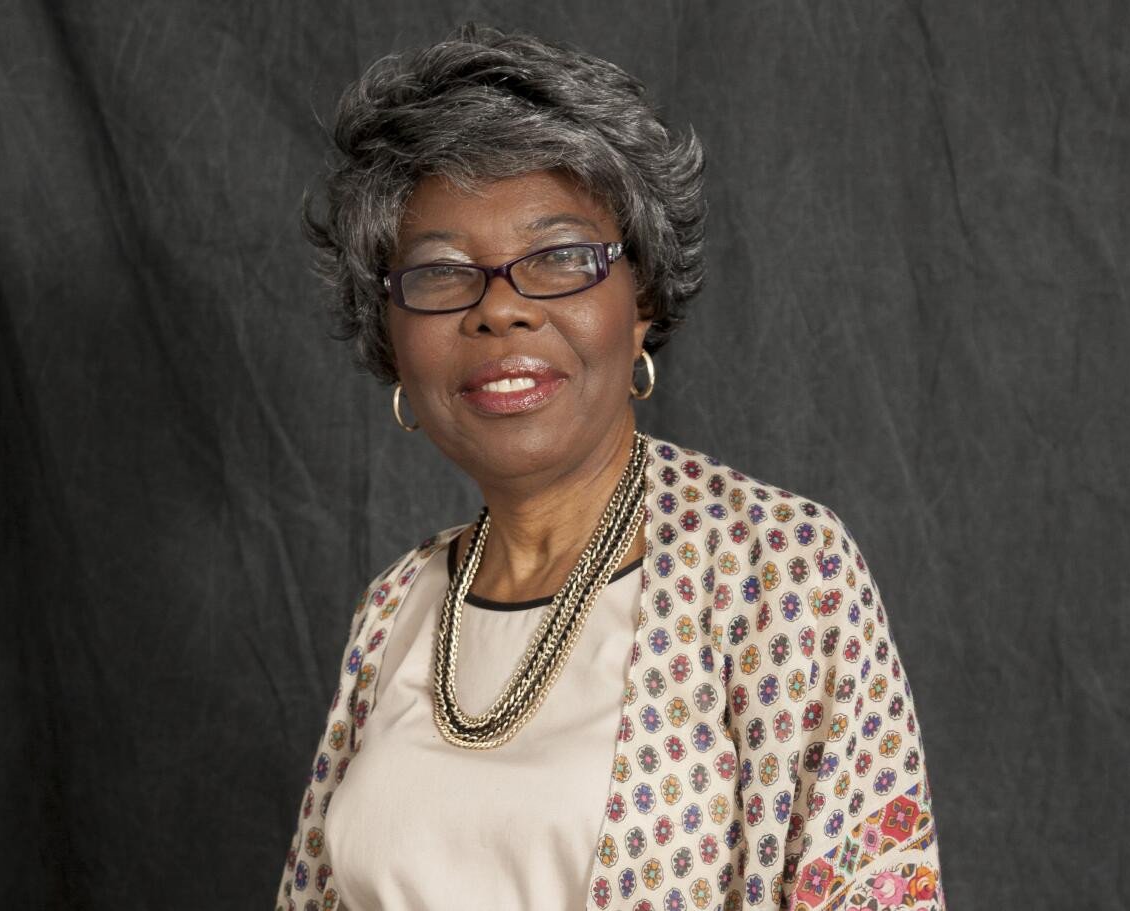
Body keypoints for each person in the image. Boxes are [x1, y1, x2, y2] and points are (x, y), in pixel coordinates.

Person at [275, 24, 944, 911]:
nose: (500, 310)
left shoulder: (782, 574)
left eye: (558, 257)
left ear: (642, 302)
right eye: (439, 274)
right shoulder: (394, 612)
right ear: (392, 342)